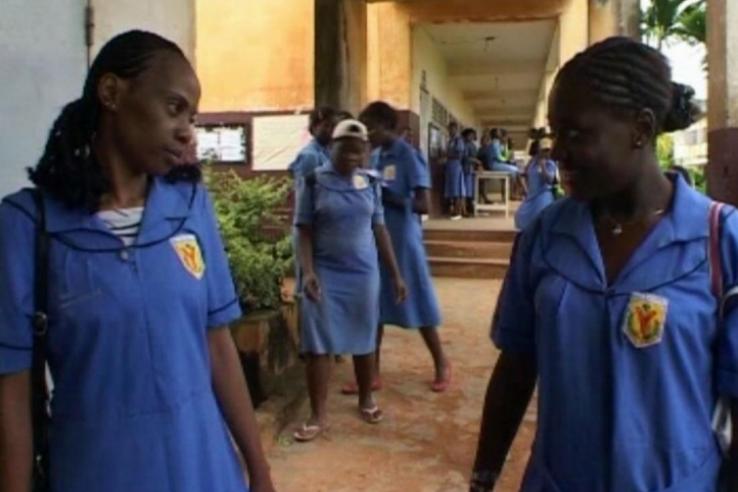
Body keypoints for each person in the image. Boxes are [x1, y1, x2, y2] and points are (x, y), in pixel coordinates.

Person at [0, 31, 274, 492]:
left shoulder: (190, 208)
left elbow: (219, 347)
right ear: (112, 93)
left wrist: (259, 471)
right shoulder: (29, 226)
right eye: (174, 107)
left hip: (205, 469)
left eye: (192, 116)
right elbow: (11, 390)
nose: (187, 129)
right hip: (96, 471)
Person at [470, 37, 738, 492]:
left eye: (576, 134)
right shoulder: (545, 236)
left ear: (640, 127)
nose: (557, 153)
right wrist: (483, 478)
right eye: (555, 134)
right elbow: (517, 365)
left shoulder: (721, 240)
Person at [292, 119, 407, 442]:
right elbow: (303, 230)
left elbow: (380, 229)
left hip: (363, 273)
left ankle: (366, 399)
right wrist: (308, 271)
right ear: (332, 148)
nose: (352, 158)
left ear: (366, 153)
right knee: (317, 343)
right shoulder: (313, 181)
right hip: (325, 271)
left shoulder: (370, 183)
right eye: (346, 151)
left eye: (359, 152)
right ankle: (317, 415)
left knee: (364, 338)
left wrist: (396, 275)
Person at [354, 101, 451, 394]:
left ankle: (441, 363)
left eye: (371, 128)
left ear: (388, 126)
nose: (367, 134)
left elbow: (423, 204)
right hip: (377, 237)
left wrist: (384, 192)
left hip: (404, 239)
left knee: (417, 302)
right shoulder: (376, 155)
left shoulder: (409, 156)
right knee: (374, 305)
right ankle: (372, 372)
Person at [514, 137, 558, 230]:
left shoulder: (550, 163)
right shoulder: (533, 162)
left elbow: (550, 180)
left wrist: (543, 168)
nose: (546, 153)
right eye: (544, 150)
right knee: (520, 216)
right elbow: (525, 174)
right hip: (531, 196)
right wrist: (523, 187)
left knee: (540, 217)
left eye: (548, 150)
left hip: (543, 195)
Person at [287, 107, 337, 179]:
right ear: (314, 127)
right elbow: (305, 187)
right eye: (327, 126)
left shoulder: (330, 151)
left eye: (334, 126)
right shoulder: (310, 155)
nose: (332, 130)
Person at [444, 121, 467, 219]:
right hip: (449, 166)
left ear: (456, 129)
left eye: (452, 129)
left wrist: (447, 157)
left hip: (455, 165)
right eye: (449, 129)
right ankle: (454, 209)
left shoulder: (458, 140)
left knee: (457, 188)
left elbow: (459, 154)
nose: (450, 131)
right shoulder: (450, 140)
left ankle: (458, 210)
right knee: (451, 188)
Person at [462, 129, 482, 214]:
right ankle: (467, 206)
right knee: (467, 189)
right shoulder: (464, 144)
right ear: (466, 135)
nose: (471, 137)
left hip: (472, 169)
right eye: (470, 135)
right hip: (466, 168)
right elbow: (466, 158)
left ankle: (471, 206)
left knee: (472, 189)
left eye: (473, 135)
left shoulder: (472, 144)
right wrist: (477, 161)